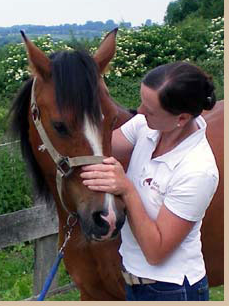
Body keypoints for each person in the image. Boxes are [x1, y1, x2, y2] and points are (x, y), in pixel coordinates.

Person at [80, 61, 219, 301]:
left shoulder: (198, 170)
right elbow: (98, 151)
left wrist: (127, 190)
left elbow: (156, 252)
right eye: (142, 100)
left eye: (151, 109)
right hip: (134, 281)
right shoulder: (146, 127)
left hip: (172, 290)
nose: (140, 111)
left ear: (181, 119)